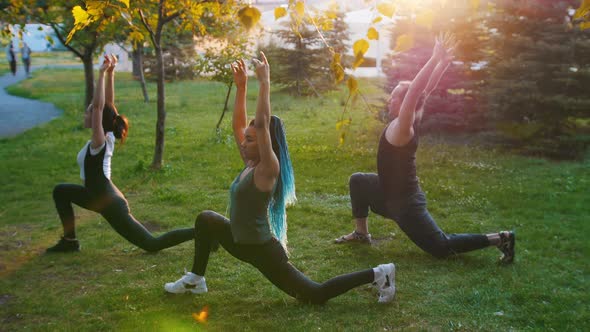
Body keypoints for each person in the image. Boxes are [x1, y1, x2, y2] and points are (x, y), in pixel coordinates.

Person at [164, 53, 397, 304]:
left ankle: (380, 273)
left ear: (266, 144)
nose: (243, 142)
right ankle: (195, 279)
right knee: (206, 219)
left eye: (250, 139)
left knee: (314, 295)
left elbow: (263, 125)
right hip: (238, 240)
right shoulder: (251, 162)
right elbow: (239, 126)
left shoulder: (267, 169)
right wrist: (241, 87)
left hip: (261, 250)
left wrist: (264, 83)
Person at [334, 33, 516, 264]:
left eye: (393, 99)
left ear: (404, 103)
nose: (390, 102)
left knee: (440, 247)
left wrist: (433, 59)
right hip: (388, 193)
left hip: (406, 204)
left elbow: (416, 91)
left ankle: (501, 238)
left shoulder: (404, 126)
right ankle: (362, 233)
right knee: (358, 181)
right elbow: (425, 91)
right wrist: (443, 63)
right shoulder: (412, 117)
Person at [47, 55, 194, 253]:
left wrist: (100, 73)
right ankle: (69, 241)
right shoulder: (107, 135)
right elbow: (107, 104)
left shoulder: (99, 141)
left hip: (110, 204)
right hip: (96, 196)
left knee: (152, 244)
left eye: (88, 112)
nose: (86, 113)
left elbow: (101, 106)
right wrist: (111, 73)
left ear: (98, 119)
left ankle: (202, 230)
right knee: (61, 191)